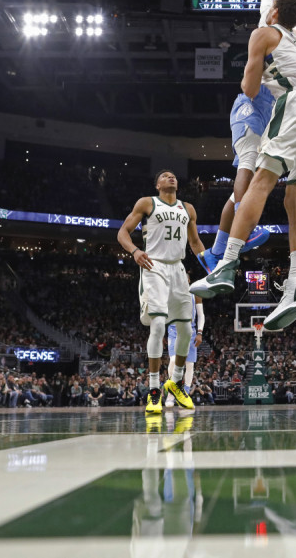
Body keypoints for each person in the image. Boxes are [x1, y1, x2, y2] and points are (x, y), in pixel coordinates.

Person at [191, 0, 296, 333]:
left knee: (262, 180)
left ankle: (226, 265)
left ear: (273, 12)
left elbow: (250, 89)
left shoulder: (264, 33)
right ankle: (295, 284)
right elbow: (290, 13)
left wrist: (252, 69)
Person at [118, 170, 205, 414]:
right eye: (165, 176)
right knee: (157, 325)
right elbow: (122, 232)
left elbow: (195, 243)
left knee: (186, 330)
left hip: (178, 269)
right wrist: (135, 251)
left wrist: (212, 267)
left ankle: (176, 382)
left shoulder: (188, 208)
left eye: (173, 175)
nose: (171, 177)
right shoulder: (147, 203)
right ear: (157, 184)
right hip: (153, 265)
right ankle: (154, 389)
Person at [166, 278, 205, 408]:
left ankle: (185, 394)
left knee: (189, 365)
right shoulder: (171, 292)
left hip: (190, 329)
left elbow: (201, 315)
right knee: (173, 361)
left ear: (188, 279)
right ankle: (172, 393)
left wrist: (200, 332)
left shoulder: (196, 293)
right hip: (174, 328)